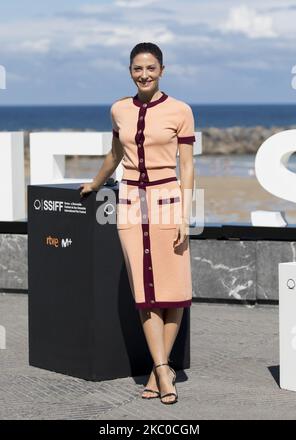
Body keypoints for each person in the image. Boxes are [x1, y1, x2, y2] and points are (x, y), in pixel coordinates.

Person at [79, 42, 195, 405]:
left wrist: (185, 216)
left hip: (168, 199)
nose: (143, 74)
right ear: (130, 71)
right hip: (130, 201)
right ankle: (163, 370)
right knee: (145, 294)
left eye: (150, 68)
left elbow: (188, 166)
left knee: (173, 291)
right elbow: (116, 154)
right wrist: (96, 183)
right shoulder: (118, 109)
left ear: (162, 69)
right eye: (136, 68)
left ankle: (158, 371)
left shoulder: (181, 111)